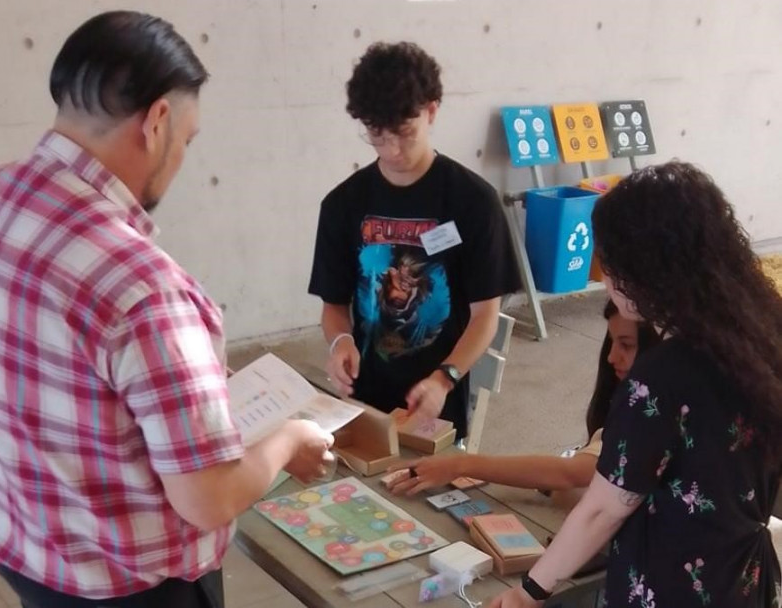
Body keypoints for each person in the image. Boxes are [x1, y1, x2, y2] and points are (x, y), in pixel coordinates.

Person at [0, 11, 333, 608]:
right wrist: (290, 440)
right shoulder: (144, 288)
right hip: (131, 590)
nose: (182, 158)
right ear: (157, 121)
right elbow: (207, 499)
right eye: (187, 141)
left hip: (23, 549)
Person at [490, 161, 782, 608]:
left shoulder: (663, 376)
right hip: (743, 576)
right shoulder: (763, 331)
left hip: (671, 586)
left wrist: (528, 591)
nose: (605, 279)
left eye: (608, 263)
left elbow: (606, 507)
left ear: (644, 267)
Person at [308, 42, 520, 439]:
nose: (391, 150)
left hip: (437, 400)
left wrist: (445, 378)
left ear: (432, 110)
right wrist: (339, 342)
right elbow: (333, 304)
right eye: (376, 134)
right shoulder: (343, 204)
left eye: (404, 133)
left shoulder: (472, 201)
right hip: (362, 401)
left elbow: (484, 317)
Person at [388, 300, 660, 506]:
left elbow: (570, 473)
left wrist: (460, 465)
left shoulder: (649, 418)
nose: (612, 357)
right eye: (612, 343)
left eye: (626, 345)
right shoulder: (633, 405)